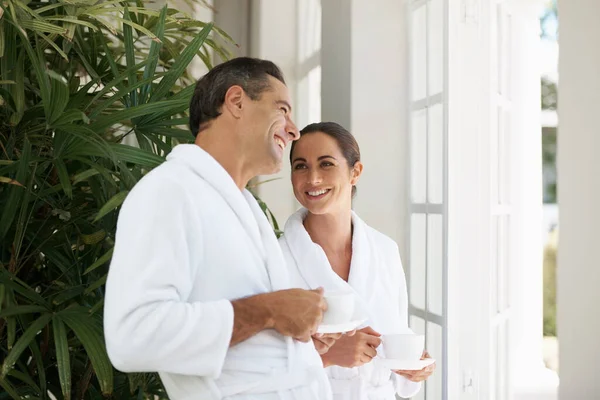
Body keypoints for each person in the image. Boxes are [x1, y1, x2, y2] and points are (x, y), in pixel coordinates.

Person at [104, 58, 341, 400]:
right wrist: (269, 310)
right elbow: (132, 336)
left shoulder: (245, 207)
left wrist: (293, 335)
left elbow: (243, 335)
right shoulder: (169, 191)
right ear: (236, 101)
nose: (293, 130)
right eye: (283, 110)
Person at [278, 122, 435, 400]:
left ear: (355, 172)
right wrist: (326, 356)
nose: (313, 178)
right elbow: (253, 362)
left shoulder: (385, 251)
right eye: (300, 166)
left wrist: (412, 365)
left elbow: (396, 334)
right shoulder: (276, 258)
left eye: (326, 164)